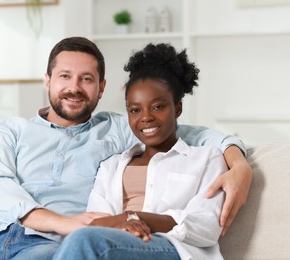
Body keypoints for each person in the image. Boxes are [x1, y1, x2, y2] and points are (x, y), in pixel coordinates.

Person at [0, 37, 251, 260]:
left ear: (101, 88)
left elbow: (185, 133)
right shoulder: (11, 131)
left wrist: (239, 164)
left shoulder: (117, 129)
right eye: (65, 77)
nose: (74, 88)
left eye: (86, 79)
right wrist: (61, 222)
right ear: (48, 81)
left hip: (48, 248)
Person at [53, 42, 228, 260]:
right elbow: (96, 222)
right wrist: (122, 224)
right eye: (135, 110)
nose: (146, 117)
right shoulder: (112, 166)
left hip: (175, 250)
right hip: (117, 246)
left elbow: (206, 227)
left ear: (178, 108)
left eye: (157, 107)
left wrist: (136, 218)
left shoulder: (206, 159)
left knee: (85, 241)